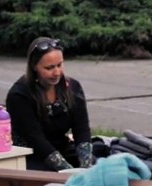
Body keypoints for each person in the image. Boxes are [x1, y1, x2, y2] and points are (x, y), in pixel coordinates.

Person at [6, 37, 93, 171]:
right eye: (49, 68)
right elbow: (36, 139)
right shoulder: (19, 95)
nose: (57, 73)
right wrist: (68, 171)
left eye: (60, 65)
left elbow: (81, 129)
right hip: (31, 154)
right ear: (34, 66)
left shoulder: (72, 87)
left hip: (62, 148)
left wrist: (87, 167)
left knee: (103, 168)